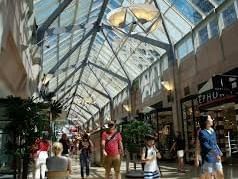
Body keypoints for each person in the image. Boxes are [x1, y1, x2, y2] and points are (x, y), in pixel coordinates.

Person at [199, 115, 224, 179]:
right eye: (210, 118)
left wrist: (219, 152)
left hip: (216, 157)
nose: (212, 120)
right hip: (208, 159)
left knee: (221, 175)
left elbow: (215, 144)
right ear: (206, 121)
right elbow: (206, 146)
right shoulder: (202, 132)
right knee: (210, 177)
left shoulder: (212, 130)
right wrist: (216, 154)